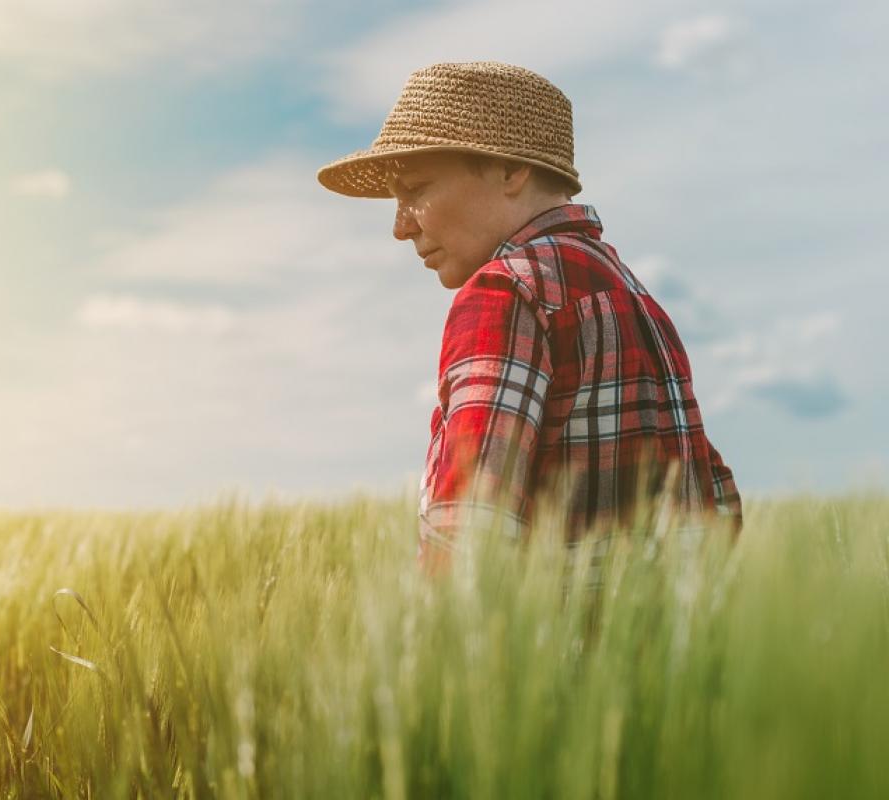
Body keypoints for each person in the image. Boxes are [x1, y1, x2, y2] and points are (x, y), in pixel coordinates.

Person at [316, 61, 741, 578]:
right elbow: (716, 510)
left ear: (510, 170)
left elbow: (470, 534)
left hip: (541, 656)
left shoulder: (504, 291)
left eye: (417, 189)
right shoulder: (638, 298)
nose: (400, 227)